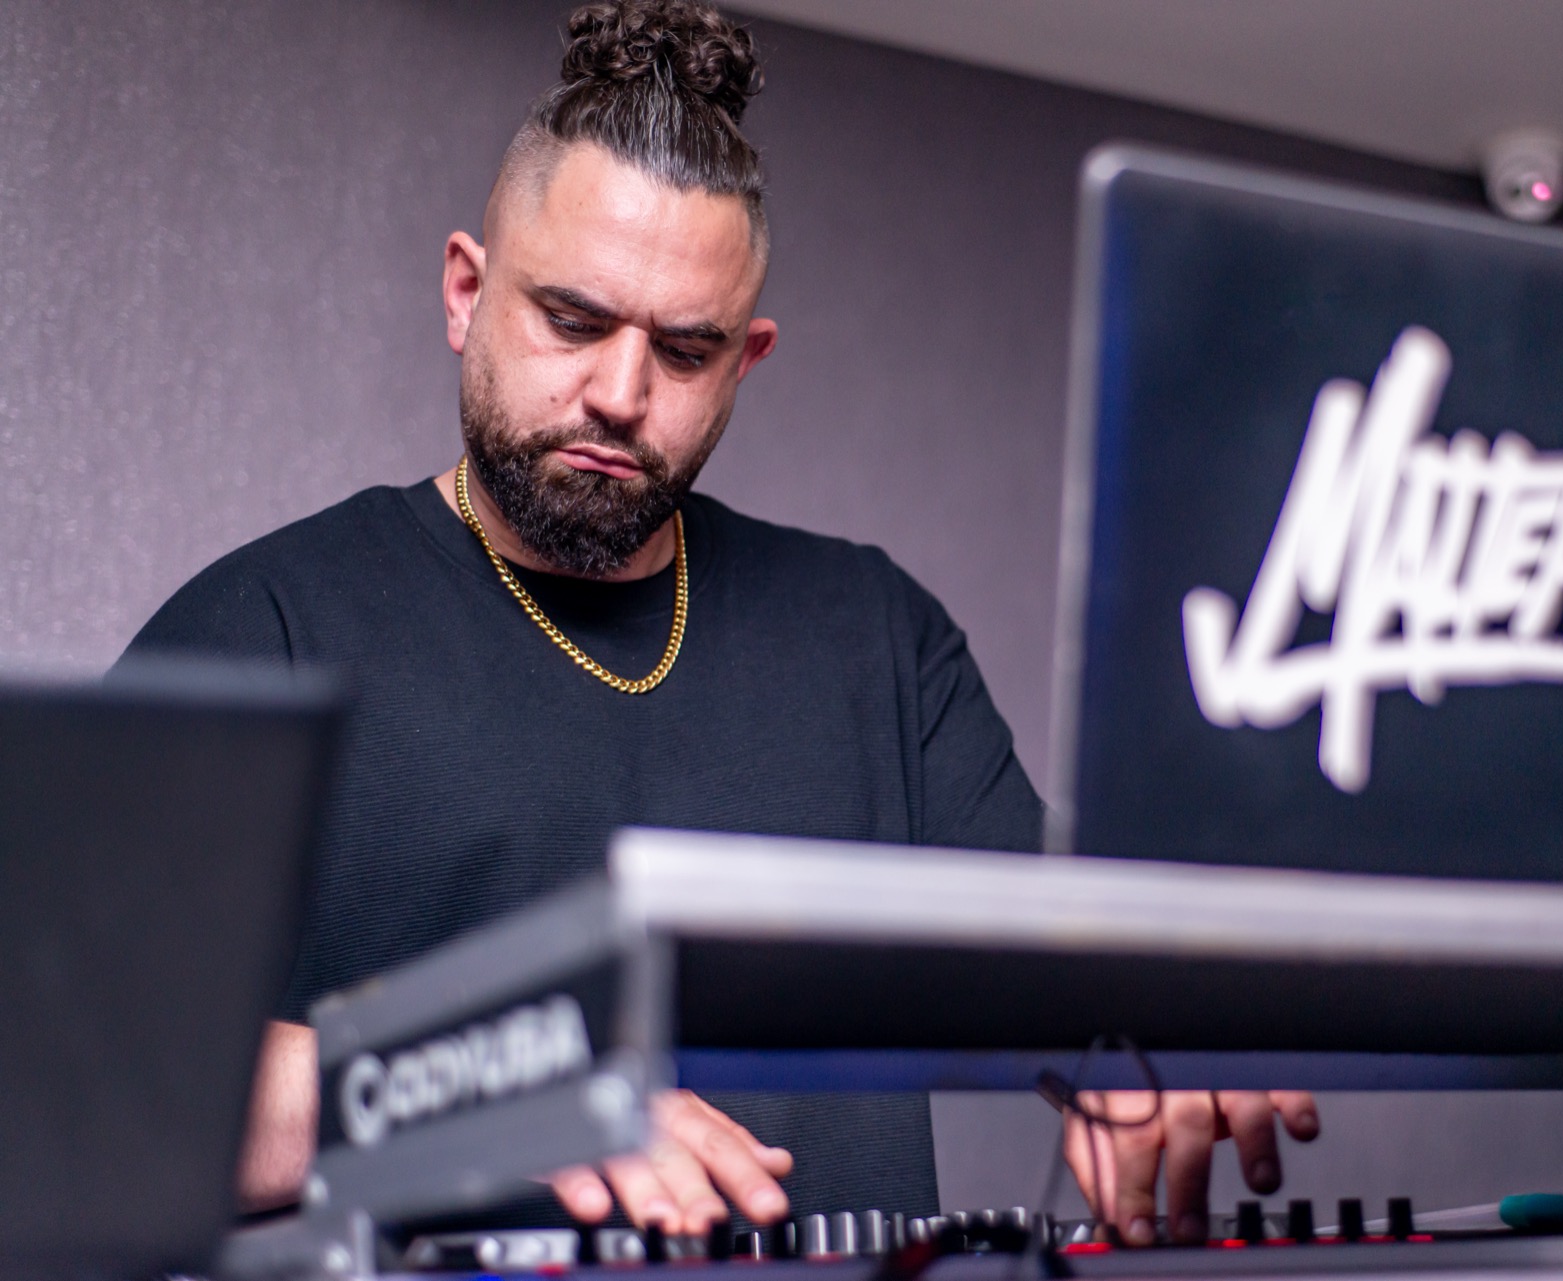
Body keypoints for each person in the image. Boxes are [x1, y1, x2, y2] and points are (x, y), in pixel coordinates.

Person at [121, 0, 1315, 1247]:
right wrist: (495, 1084)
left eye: (685, 352)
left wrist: (1160, 1047)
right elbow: (84, 1077)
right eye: (573, 321)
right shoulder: (265, 628)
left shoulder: (876, 640)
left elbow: (1082, 979)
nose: (620, 394)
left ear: (746, 361)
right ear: (466, 291)